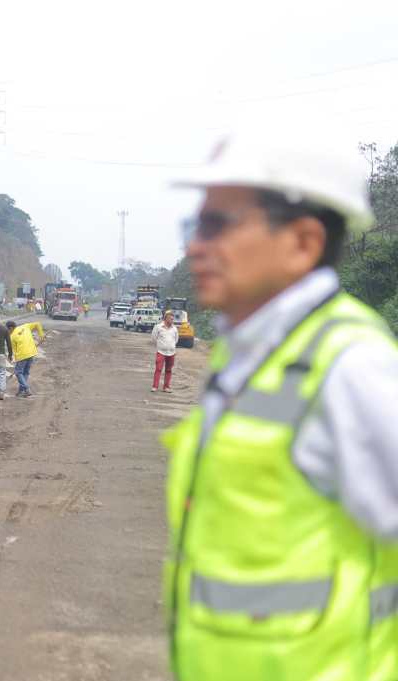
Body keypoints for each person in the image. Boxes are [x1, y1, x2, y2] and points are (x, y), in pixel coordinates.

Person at [163, 121, 398, 681]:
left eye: (219, 225)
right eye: (196, 224)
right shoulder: (248, 357)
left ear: (303, 242)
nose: (197, 246)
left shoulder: (351, 366)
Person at [7, 320, 45, 397]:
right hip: (32, 353)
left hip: (22, 355)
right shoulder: (25, 326)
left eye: (8, 330)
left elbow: (15, 350)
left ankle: (26, 388)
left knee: (18, 372)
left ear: (10, 328)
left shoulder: (12, 337)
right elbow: (37, 323)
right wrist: (41, 335)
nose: (8, 332)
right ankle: (21, 391)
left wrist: (16, 361)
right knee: (25, 372)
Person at [151, 310, 178, 393]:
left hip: (171, 352)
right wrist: (160, 346)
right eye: (170, 319)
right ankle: (155, 386)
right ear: (165, 319)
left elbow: (176, 339)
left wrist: (171, 346)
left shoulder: (174, 329)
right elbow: (154, 338)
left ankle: (166, 387)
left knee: (169, 370)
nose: (172, 321)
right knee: (158, 369)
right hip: (161, 352)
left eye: (173, 319)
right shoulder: (158, 327)